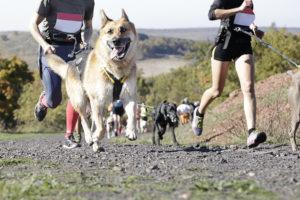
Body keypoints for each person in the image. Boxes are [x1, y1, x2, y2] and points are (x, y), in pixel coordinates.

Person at [192, 0, 267, 148]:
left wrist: (253, 29)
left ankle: (251, 133)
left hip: (244, 46)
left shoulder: (249, 2)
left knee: (249, 87)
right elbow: (212, 14)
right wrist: (239, 8)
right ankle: (199, 112)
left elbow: (244, 22)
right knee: (216, 91)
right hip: (224, 44)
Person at [30, 0, 94, 149]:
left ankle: (69, 136)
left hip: (74, 50)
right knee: (54, 100)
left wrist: (86, 40)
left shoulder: (88, 2)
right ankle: (44, 101)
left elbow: (89, 26)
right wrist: (45, 45)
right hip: (51, 49)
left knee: (77, 93)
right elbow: (32, 25)